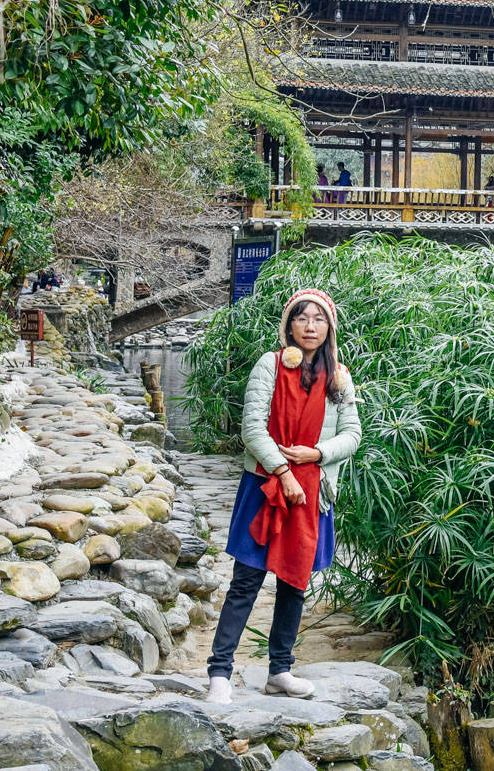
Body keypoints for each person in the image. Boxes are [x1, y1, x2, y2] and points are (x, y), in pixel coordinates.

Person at [207, 289, 361, 703]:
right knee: (247, 580)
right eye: (301, 318)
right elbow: (252, 427)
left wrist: (317, 453)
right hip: (266, 487)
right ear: (289, 326)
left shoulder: (339, 377)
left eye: (319, 320)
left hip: (313, 493)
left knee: (295, 582)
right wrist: (282, 471)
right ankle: (219, 672)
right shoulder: (270, 365)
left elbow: (353, 435)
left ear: (329, 328)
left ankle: (280, 670)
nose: (310, 327)